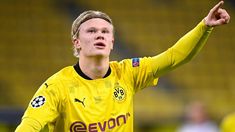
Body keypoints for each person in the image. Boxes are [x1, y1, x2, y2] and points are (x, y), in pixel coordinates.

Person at [15, 1, 230, 131]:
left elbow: (174, 57)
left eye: (105, 32)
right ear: (76, 42)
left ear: (112, 42)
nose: (99, 34)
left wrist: (205, 27)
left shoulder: (128, 73)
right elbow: (30, 125)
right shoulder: (57, 87)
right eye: (91, 31)